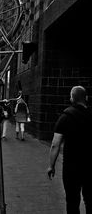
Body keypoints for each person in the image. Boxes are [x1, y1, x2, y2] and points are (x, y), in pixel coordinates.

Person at [47, 86, 92, 214]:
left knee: (72, 201)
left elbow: (55, 144)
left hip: (72, 167)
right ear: (86, 98)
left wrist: (51, 165)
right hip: (90, 166)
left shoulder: (65, 117)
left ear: (71, 98)